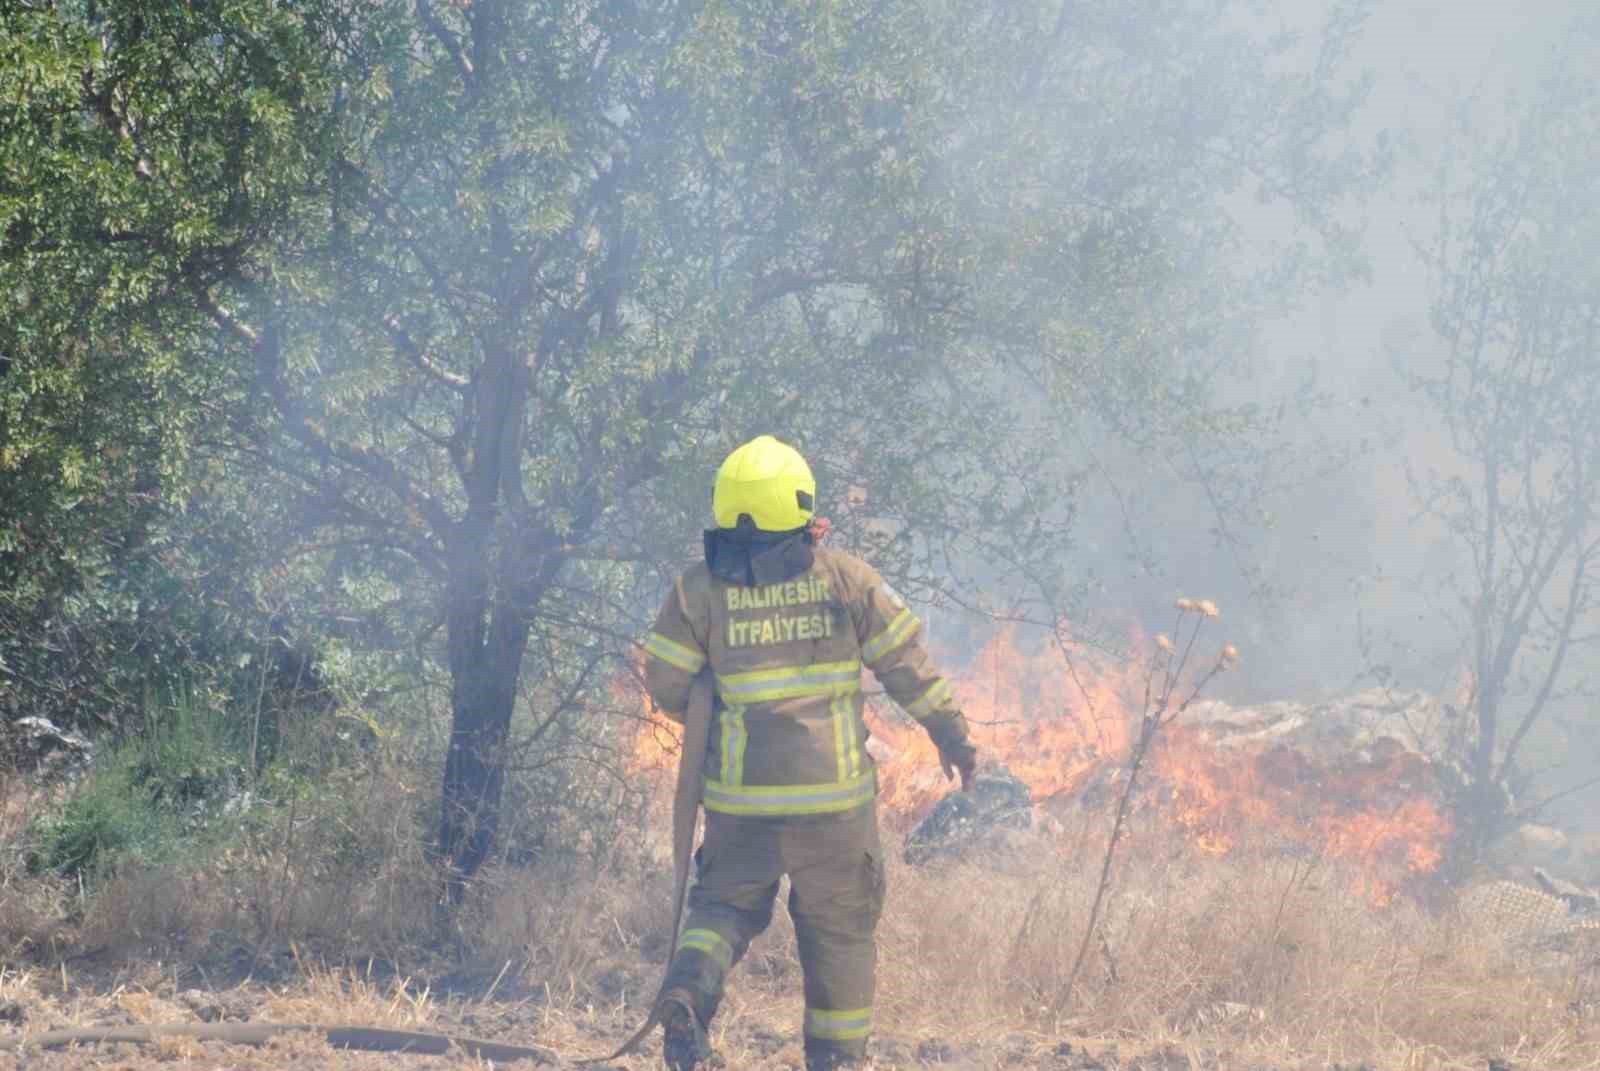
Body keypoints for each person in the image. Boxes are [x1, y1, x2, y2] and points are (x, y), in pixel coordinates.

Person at [641, 434, 979, 1071]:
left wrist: (714, 697)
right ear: (800, 506)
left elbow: (665, 686)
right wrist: (952, 734)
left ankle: (687, 991)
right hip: (835, 810)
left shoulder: (696, 593)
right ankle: (837, 1060)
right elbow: (906, 665)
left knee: (722, 909)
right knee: (841, 936)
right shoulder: (846, 580)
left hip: (742, 807)